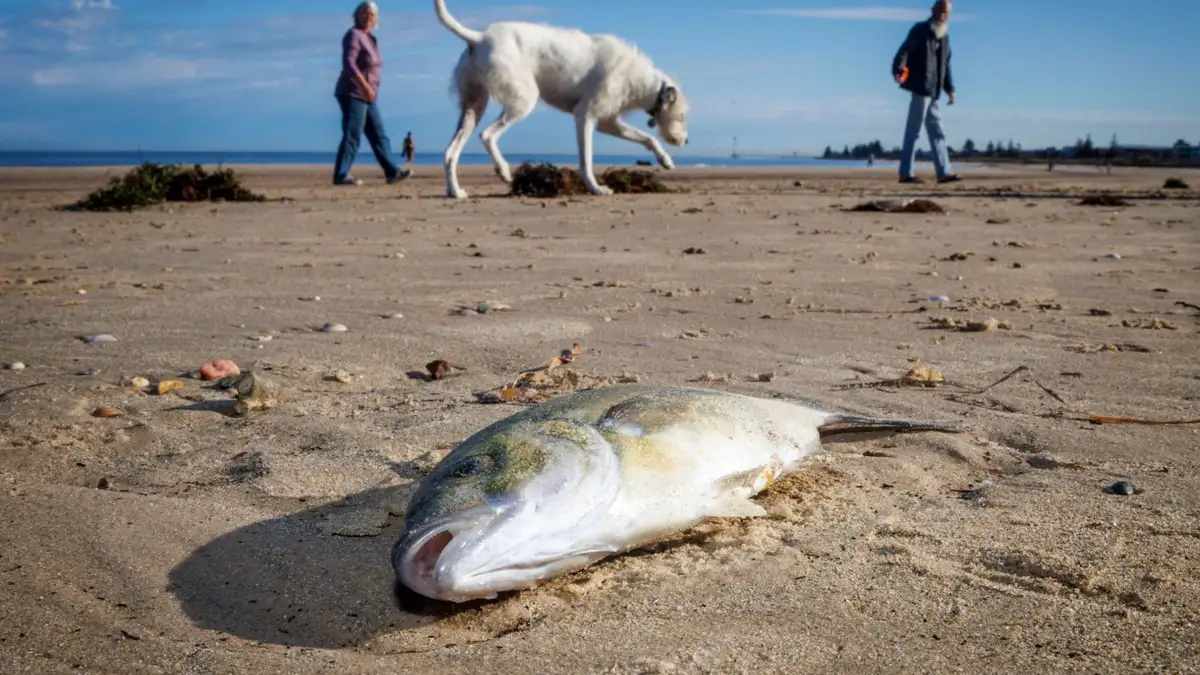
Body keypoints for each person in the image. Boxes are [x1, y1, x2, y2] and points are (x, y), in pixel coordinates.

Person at [332, 1, 411, 186]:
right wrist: (365, 86)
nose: (369, 17)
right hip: (353, 92)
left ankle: (392, 172)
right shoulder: (353, 35)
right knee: (353, 135)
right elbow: (349, 64)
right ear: (357, 15)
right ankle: (341, 175)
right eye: (365, 13)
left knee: (379, 134)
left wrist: (371, 89)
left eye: (373, 15)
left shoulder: (371, 39)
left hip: (368, 95)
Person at [892, 0, 961, 184]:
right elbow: (904, 51)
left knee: (937, 132)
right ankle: (906, 173)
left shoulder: (944, 37)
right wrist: (898, 69)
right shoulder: (920, 30)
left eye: (947, 12)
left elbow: (946, 66)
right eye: (941, 10)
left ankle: (944, 172)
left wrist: (950, 89)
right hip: (921, 87)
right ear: (933, 10)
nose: (943, 15)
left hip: (934, 92)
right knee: (913, 131)